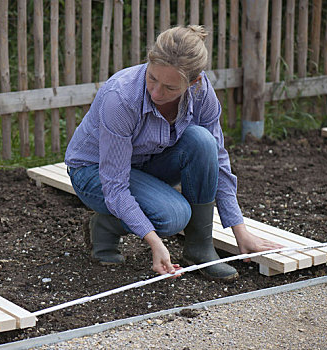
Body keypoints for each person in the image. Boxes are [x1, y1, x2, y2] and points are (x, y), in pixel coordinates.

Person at [65, 25, 282, 280]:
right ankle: (104, 227)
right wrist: (155, 242)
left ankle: (200, 249)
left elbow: (218, 161)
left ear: (194, 82)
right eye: (152, 78)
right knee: (172, 217)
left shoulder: (202, 95)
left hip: (145, 164)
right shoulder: (121, 98)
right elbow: (115, 185)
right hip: (94, 172)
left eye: (170, 88)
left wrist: (240, 231)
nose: (156, 92)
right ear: (149, 63)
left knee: (202, 141)